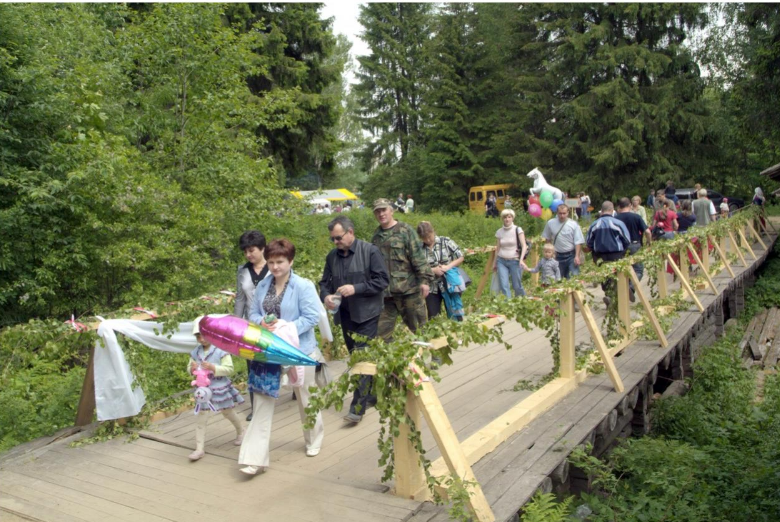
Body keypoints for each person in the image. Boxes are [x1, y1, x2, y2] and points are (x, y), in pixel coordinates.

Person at [240, 239, 325, 475]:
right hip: (268, 350)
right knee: (262, 401)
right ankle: (254, 458)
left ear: (291, 261)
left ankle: (313, 439)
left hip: (299, 349)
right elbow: (254, 312)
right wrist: (262, 324)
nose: (275, 267)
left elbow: (311, 317)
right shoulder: (263, 285)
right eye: (271, 262)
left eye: (280, 262)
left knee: (305, 397)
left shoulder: (303, 286)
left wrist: (284, 327)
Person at [319, 216, 389, 424]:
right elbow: (324, 283)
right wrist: (326, 297)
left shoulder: (370, 251)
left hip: (368, 313)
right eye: (332, 239)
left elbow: (382, 281)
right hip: (346, 315)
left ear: (351, 232)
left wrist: (355, 288)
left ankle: (357, 408)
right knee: (357, 357)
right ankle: (373, 395)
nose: (335, 242)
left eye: (338, 238)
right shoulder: (332, 256)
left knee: (360, 358)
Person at [371, 199, 434, 341]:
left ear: (391, 211)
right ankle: (397, 362)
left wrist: (424, 281)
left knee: (420, 330)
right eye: (377, 211)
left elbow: (417, 257)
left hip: (409, 292)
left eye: (384, 210)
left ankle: (434, 358)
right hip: (387, 295)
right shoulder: (376, 236)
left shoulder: (405, 230)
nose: (381, 214)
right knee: (381, 336)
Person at [188, 317, 245, 461]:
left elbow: (229, 368)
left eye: (204, 335)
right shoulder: (195, 352)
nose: (201, 339)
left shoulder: (221, 349)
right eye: (198, 336)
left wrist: (214, 368)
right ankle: (199, 448)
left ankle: (241, 431)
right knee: (202, 417)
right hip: (204, 390)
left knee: (228, 412)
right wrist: (192, 369)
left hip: (219, 388)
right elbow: (190, 367)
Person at [234, 230, 268, 421]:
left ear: (262, 248)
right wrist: (236, 324)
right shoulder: (242, 270)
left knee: (276, 361)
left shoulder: (274, 267)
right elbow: (240, 298)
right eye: (245, 251)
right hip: (250, 325)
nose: (248, 255)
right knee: (253, 364)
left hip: (272, 323)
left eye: (252, 250)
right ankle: (256, 406)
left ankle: (295, 387)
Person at [416, 221, 465, 319]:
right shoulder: (419, 249)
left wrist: (448, 267)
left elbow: (460, 257)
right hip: (431, 287)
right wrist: (433, 270)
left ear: (433, 231)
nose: (428, 240)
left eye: (429, 236)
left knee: (455, 313)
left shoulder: (445, 241)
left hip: (450, 284)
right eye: (425, 238)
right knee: (433, 317)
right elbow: (416, 267)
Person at [586, 201, 631, 306]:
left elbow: (589, 242)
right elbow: (626, 240)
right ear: (612, 210)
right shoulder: (618, 223)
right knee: (616, 275)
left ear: (601, 211)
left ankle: (608, 295)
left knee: (604, 276)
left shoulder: (594, 224)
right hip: (616, 254)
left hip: (599, 255)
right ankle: (615, 298)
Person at [615, 197, 651, 298]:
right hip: (635, 245)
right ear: (630, 205)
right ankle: (630, 287)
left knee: (621, 270)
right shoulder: (636, 217)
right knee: (638, 270)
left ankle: (616, 294)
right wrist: (649, 241)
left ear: (619, 207)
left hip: (620, 247)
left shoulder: (615, 218)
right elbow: (647, 231)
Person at [541, 204, 584, 280]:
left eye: (564, 213)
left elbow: (578, 241)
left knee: (574, 277)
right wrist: (548, 253)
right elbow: (547, 239)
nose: (562, 215)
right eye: (560, 213)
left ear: (568, 213)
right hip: (557, 255)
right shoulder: (550, 223)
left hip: (571, 255)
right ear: (557, 213)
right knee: (558, 279)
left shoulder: (573, 224)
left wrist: (577, 256)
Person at [493, 209, 527, 298]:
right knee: (504, 285)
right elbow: (498, 248)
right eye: (505, 217)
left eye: (509, 217)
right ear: (502, 219)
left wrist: (521, 260)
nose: (507, 219)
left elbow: (524, 246)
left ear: (512, 218)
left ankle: (522, 302)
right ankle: (507, 305)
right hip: (501, 260)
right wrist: (495, 263)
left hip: (515, 260)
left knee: (517, 285)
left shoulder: (518, 230)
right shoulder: (499, 231)